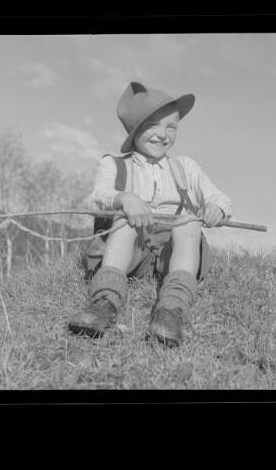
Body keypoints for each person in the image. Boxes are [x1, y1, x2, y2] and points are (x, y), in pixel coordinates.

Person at [68, 81, 233, 347]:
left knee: (189, 222)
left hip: (171, 255)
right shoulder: (113, 164)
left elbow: (219, 197)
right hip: (130, 254)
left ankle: (170, 310)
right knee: (125, 222)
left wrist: (217, 208)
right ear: (135, 129)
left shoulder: (185, 167)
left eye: (171, 127)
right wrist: (123, 198)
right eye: (153, 125)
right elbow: (95, 198)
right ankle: (105, 302)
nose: (163, 134)